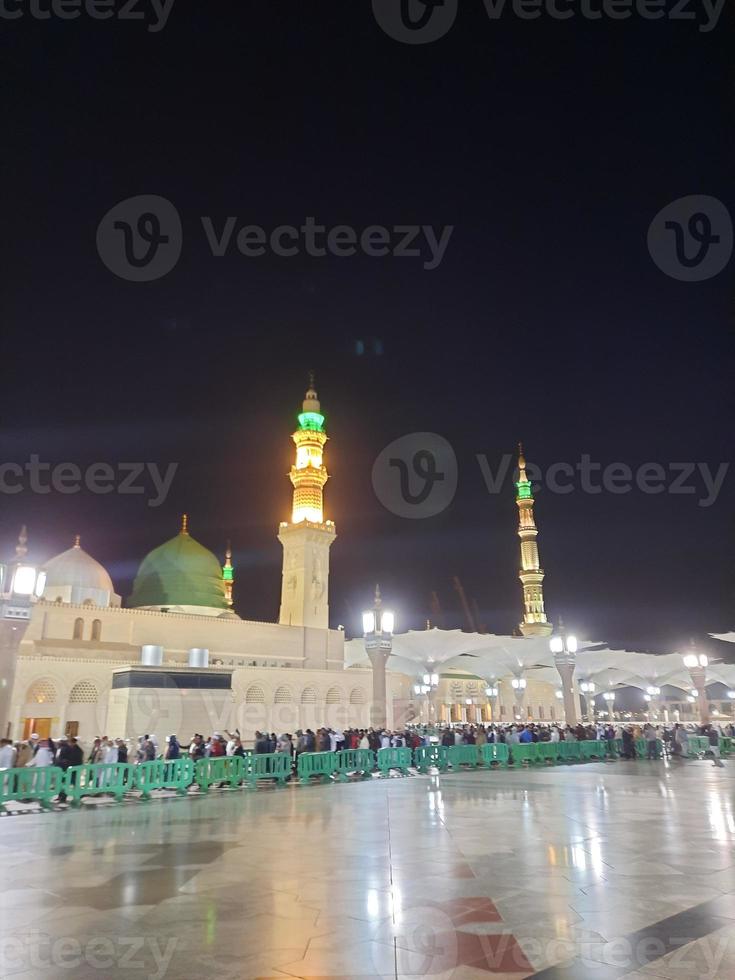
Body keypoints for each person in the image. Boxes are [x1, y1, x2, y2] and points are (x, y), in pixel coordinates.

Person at [56, 736, 83, 803]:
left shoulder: (78, 750)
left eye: (71, 742)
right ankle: (61, 796)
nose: (70, 743)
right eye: (69, 742)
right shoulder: (65, 749)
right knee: (63, 783)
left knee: (72, 783)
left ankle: (77, 795)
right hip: (65, 769)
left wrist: (68, 763)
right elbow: (61, 758)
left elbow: (79, 761)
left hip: (73, 770)